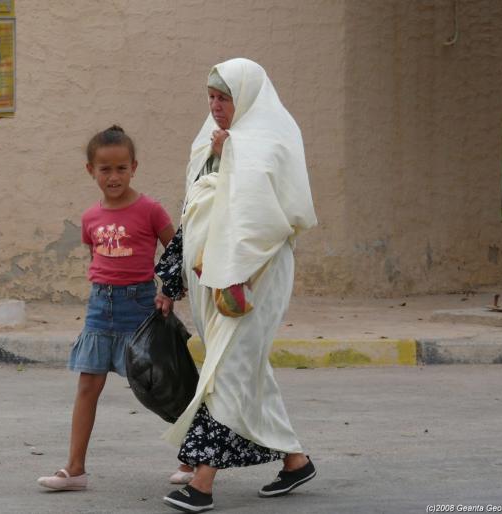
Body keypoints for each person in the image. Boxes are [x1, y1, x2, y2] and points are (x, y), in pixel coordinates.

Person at [155, 58, 318, 512]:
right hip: (211, 276)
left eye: (224, 98)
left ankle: (203, 483)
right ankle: (295, 461)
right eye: (211, 97)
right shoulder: (206, 141)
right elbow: (193, 211)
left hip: (254, 275)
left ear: (245, 98)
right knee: (246, 368)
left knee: (227, 370)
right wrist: (171, 279)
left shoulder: (269, 142)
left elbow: (270, 217)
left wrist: (234, 155)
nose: (216, 106)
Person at [37, 125, 176, 491]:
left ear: (134, 167)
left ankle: (193, 459)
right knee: (87, 386)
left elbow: (176, 251)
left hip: (141, 306)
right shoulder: (90, 218)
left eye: (120, 168)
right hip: (101, 307)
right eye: (105, 169)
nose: (113, 176)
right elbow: (96, 257)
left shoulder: (150, 210)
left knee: (160, 385)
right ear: (90, 170)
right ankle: (75, 469)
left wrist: (169, 292)